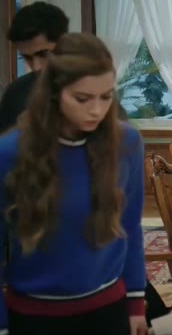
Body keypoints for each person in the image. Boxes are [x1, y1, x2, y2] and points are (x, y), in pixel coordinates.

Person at [0, 33, 147, 335]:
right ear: (54, 93)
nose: (96, 110)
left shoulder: (126, 143)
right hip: (34, 317)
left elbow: (130, 226)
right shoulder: (10, 152)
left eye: (106, 97)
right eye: (82, 98)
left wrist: (136, 304)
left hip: (109, 309)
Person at [0, 2, 70, 133]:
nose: (36, 67)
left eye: (44, 54)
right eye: (27, 58)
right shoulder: (15, 94)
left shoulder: (93, 86)